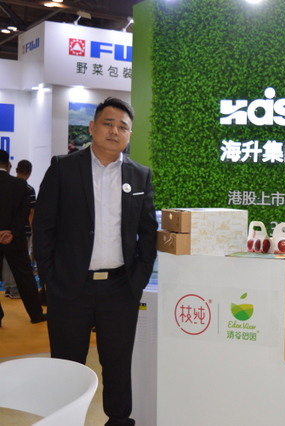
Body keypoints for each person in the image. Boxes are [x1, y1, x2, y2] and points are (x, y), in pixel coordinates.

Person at [33, 97, 158, 426]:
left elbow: (148, 232)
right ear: (92, 127)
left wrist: (137, 280)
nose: (115, 131)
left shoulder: (140, 176)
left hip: (119, 288)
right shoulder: (63, 168)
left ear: (129, 135)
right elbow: (43, 227)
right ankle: (65, 419)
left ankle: (119, 420)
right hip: (69, 287)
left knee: (117, 364)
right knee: (67, 365)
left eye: (123, 127)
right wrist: (51, 278)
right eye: (108, 123)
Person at [0, 150, 47, 327]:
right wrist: (11, 232)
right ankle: (36, 314)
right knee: (25, 277)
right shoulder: (21, 185)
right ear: (9, 165)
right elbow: (25, 212)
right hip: (16, 238)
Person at [3, 159, 37, 300]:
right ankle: (15, 288)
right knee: (22, 263)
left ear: (16, 170)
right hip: (22, 231)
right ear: (29, 172)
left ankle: (8, 287)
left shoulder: (8, 185)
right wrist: (33, 230)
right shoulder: (27, 189)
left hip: (7, 230)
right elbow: (31, 212)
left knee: (7, 261)